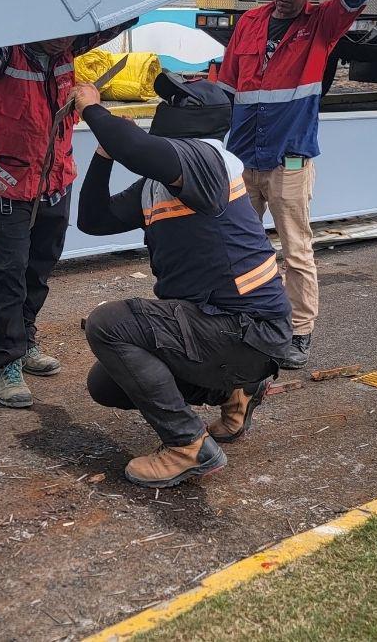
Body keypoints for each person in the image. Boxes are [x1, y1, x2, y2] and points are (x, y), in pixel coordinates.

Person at [72, 71, 293, 487]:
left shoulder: (209, 159)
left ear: (200, 117)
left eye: (176, 102)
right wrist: (104, 154)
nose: (166, 109)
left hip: (249, 329)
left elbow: (137, 148)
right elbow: (93, 220)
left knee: (108, 324)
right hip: (218, 327)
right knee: (107, 384)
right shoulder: (159, 183)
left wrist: (93, 110)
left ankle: (187, 446)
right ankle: (237, 392)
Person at [216, 0, 370, 369]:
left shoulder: (322, 25)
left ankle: (299, 331)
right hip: (242, 159)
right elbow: (227, 86)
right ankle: (241, 318)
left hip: (290, 161)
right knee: (235, 247)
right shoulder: (249, 22)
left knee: (296, 251)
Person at [0, 20, 136, 408]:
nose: (65, 38)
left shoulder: (66, 47)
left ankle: (25, 338)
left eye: (70, 31)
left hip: (55, 178)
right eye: (56, 27)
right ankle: (6, 361)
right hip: (9, 180)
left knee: (41, 264)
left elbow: (119, 18)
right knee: (10, 270)